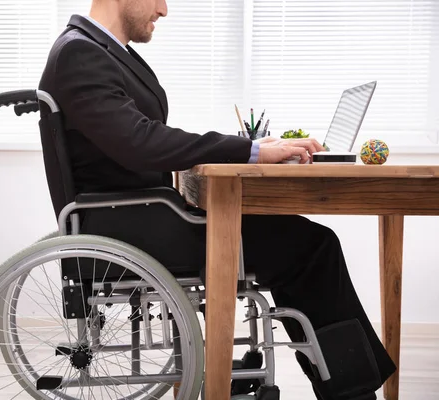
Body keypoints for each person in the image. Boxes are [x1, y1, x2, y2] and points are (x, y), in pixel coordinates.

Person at [37, 0, 397, 398]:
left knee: (295, 240)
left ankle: (341, 379)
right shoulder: (80, 52)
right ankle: (353, 389)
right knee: (311, 246)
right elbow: (140, 141)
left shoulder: (96, 50)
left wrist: (251, 147)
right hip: (135, 229)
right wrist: (251, 151)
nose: (164, 10)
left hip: (142, 219)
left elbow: (143, 135)